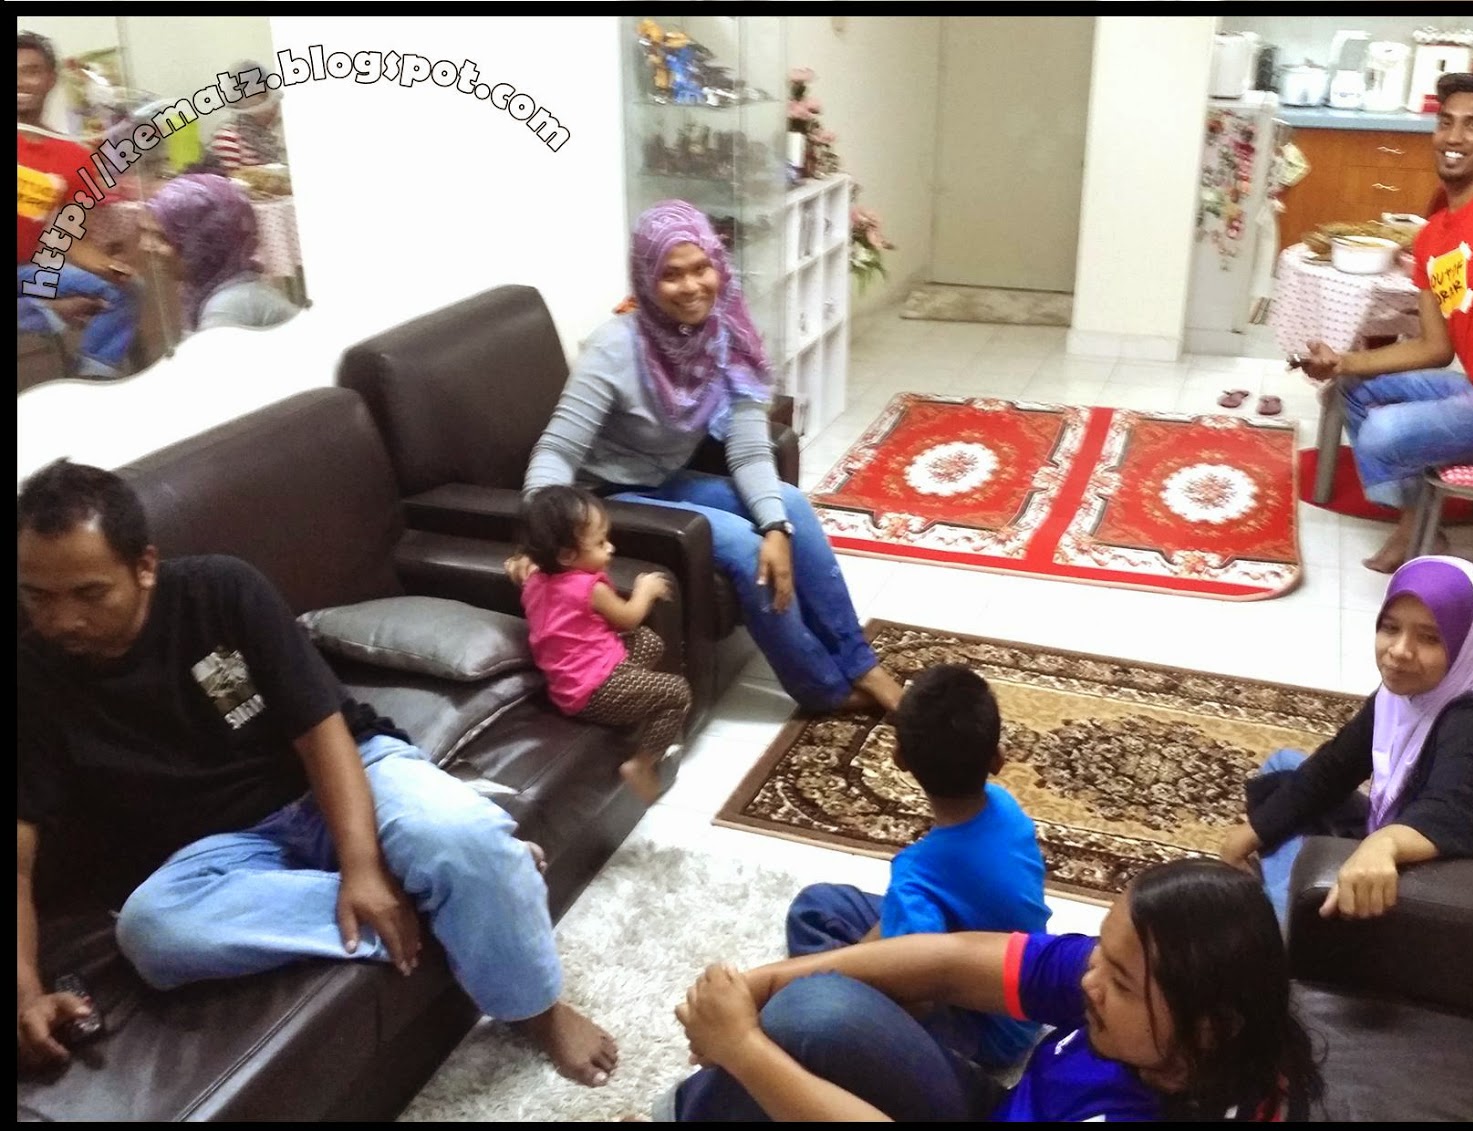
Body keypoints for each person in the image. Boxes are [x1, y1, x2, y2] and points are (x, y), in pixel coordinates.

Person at [16, 460, 617, 1086]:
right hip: (221, 851)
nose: (61, 621)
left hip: (338, 774)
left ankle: (536, 1006)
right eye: (36, 597)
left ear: (144, 566)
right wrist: (27, 993)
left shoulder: (220, 591)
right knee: (153, 933)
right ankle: (469, 889)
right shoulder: (32, 676)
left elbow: (319, 729)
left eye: (89, 594)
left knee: (459, 841)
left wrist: (362, 868)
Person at [520, 199, 902, 717]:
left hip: (666, 480)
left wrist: (776, 527)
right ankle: (824, 691)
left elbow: (748, 448)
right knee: (744, 548)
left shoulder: (729, 339)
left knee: (790, 505)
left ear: (718, 265)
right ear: (646, 280)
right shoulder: (614, 350)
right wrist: (541, 531)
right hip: (605, 501)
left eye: (701, 267)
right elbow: (558, 449)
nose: (691, 286)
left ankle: (861, 664)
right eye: (670, 274)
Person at [666, 859, 1323, 1121]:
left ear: (1208, 1027)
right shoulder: (1158, 1002)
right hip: (1008, 1105)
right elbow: (954, 964)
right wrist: (758, 984)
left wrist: (744, 1047)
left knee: (807, 1015)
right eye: (1102, 949)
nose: (1090, 979)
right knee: (825, 917)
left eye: (1120, 982)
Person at [1300, 71, 1473, 573]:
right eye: (1446, 122)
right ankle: (1417, 524)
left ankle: (1414, 530)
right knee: (1350, 391)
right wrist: (1342, 361)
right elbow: (1435, 346)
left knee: (1384, 433)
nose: (1454, 137)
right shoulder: (1433, 236)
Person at [1220, 555, 1473, 924]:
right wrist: (1254, 830)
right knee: (1284, 766)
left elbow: (1452, 813)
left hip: (1470, 891)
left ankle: (1285, 923)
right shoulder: (1404, 693)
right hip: (1410, 829)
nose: (1399, 650)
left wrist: (1384, 844)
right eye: (1390, 628)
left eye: (1429, 638)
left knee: (1304, 886)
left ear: (1467, 643)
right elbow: (1336, 766)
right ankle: (1290, 893)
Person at [784, 664, 1049, 1070]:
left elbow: (917, 989)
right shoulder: (1006, 808)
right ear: (997, 760)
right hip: (1026, 988)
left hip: (991, 1032)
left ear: (899, 760)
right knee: (818, 903)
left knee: (828, 987)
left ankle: (817, 1006)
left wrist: (851, 980)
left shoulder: (916, 875)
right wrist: (868, 949)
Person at [516, 484, 691, 802]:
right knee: (677, 692)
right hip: (596, 690)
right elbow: (628, 618)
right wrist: (645, 590)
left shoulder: (533, 580)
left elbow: (518, 570)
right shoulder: (588, 588)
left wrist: (517, 563)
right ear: (566, 556)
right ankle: (641, 764)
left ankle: (633, 698)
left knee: (648, 641)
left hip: (573, 684)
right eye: (599, 543)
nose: (610, 548)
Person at [17, 31, 142, 380]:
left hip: (24, 272)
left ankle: (91, 377)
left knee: (129, 288)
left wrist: (110, 267)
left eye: (30, 71)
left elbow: (71, 238)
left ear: (50, 79)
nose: (19, 82)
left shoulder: (73, 156)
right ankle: (48, 310)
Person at [141, 173, 299, 332]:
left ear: (204, 244)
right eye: (144, 232)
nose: (145, 246)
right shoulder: (221, 287)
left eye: (162, 237)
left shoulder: (227, 308)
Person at [208, 61, 287, 170]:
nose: (272, 105)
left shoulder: (269, 137)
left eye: (273, 96)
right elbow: (231, 179)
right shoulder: (229, 137)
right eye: (262, 96)